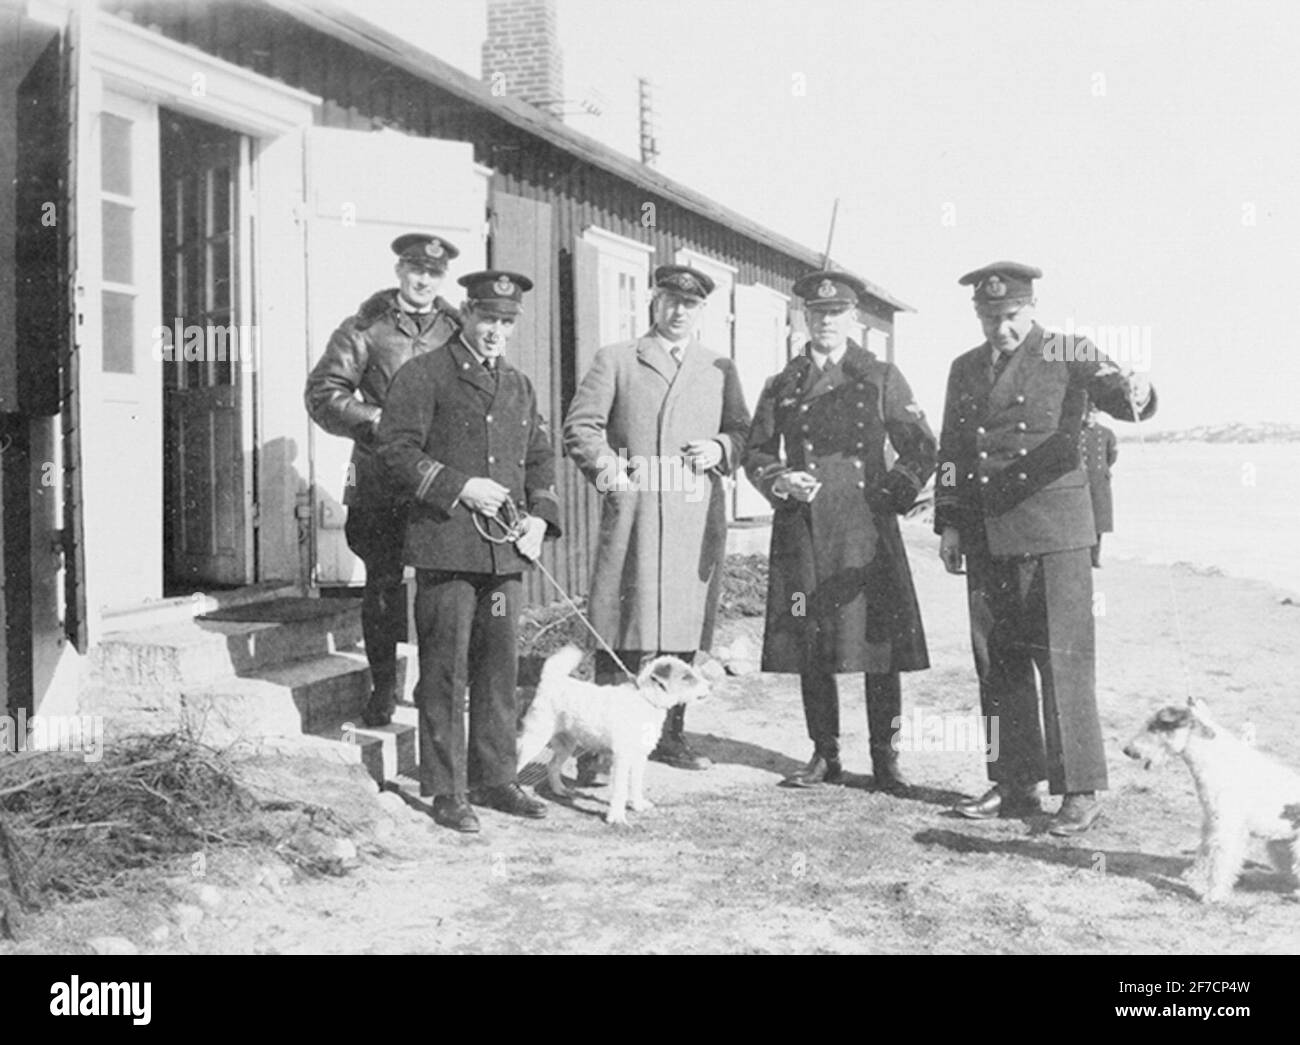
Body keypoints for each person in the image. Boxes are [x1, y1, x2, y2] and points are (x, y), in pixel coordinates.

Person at [935, 261, 1156, 835]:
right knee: (998, 661)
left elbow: (1117, 390)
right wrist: (951, 524)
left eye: (1010, 317)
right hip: (987, 534)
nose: (1000, 329)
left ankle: (1079, 789)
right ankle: (1013, 784)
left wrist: (1140, 388)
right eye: (989, 318)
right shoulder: (964, 368)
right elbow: (953, 451)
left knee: (1063, 661)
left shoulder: (1066, 350)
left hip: (1054, 533)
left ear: (1030, 308)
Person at [375, 270, 561, 833]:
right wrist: (460, 486)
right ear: (466, 316)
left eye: (506, 323)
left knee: (499, 669)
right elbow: (394, 449)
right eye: (487, 319)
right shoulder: (424, 375)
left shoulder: (520, 386)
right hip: (445, 550)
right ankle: (447, 788)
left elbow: (539, 460)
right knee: (445, 672)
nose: (496, 332)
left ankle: (496, 777)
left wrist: (538, 519)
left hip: (504, 558)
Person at [743, 270, 935, 793]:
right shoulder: (783, 383)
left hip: (865, 527)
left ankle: (885, 759)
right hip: (802, 524)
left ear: (853, 318)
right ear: (803, 317)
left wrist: (890, 496)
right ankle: (824, 754)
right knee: (811, 641)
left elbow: (921, 446)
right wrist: (779, 478)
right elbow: (755, 451)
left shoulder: (879, 376)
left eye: (836, 313)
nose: (826, 322)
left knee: (880, 646)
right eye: (816, 313)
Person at [564, 264, 751, 774]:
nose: (678, 311)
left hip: (692, 517)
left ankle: (670, 735)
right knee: (623, 621)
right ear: (653, 301)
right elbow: (581, 428)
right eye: (669, 300)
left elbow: (742, 431)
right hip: (638, 512)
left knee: (683, 624)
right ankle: (599, 746)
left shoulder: (719, 367)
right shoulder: (618, 359)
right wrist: (612, 475)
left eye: (689, 305)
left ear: (701, 312)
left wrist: (720, 447)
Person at [305, 233, 461, 727]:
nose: (423, 280)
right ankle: (383, 687)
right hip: (379, 477)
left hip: (437, 477)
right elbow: (324, 393)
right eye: (415, 269)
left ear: (443, 278)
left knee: (440, 585)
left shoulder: (456, 330)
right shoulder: (365, 327)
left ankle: (432, 685)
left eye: (433, 273)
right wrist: (381, 421)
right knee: (383, 584)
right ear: (399, 270)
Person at [1080, 404, 1118, 567]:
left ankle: (1095, 558)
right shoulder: (1077, 432)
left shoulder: (1107, 433)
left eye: (1093, 414)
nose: (1090, 417)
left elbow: (1111, 456)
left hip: (1099, 482)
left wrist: (1102, 471)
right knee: (1081, 520)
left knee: (1099, 522)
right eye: (1087, 414)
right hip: (1081, 481)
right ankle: (1082, 558)